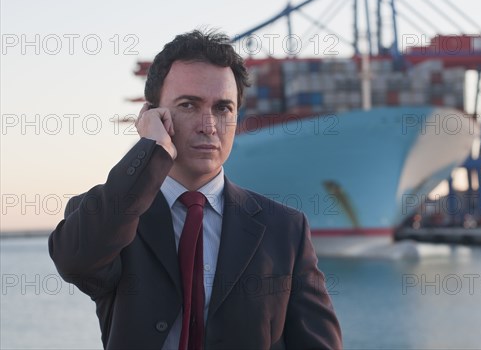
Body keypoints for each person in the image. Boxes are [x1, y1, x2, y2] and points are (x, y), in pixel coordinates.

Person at [48, 29, 343, 350]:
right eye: (189, 105)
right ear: (152, 114)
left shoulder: (285, 229)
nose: (209, 125)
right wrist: (151, 149)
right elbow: (75, 261)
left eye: (223, 108)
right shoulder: (111, 214)